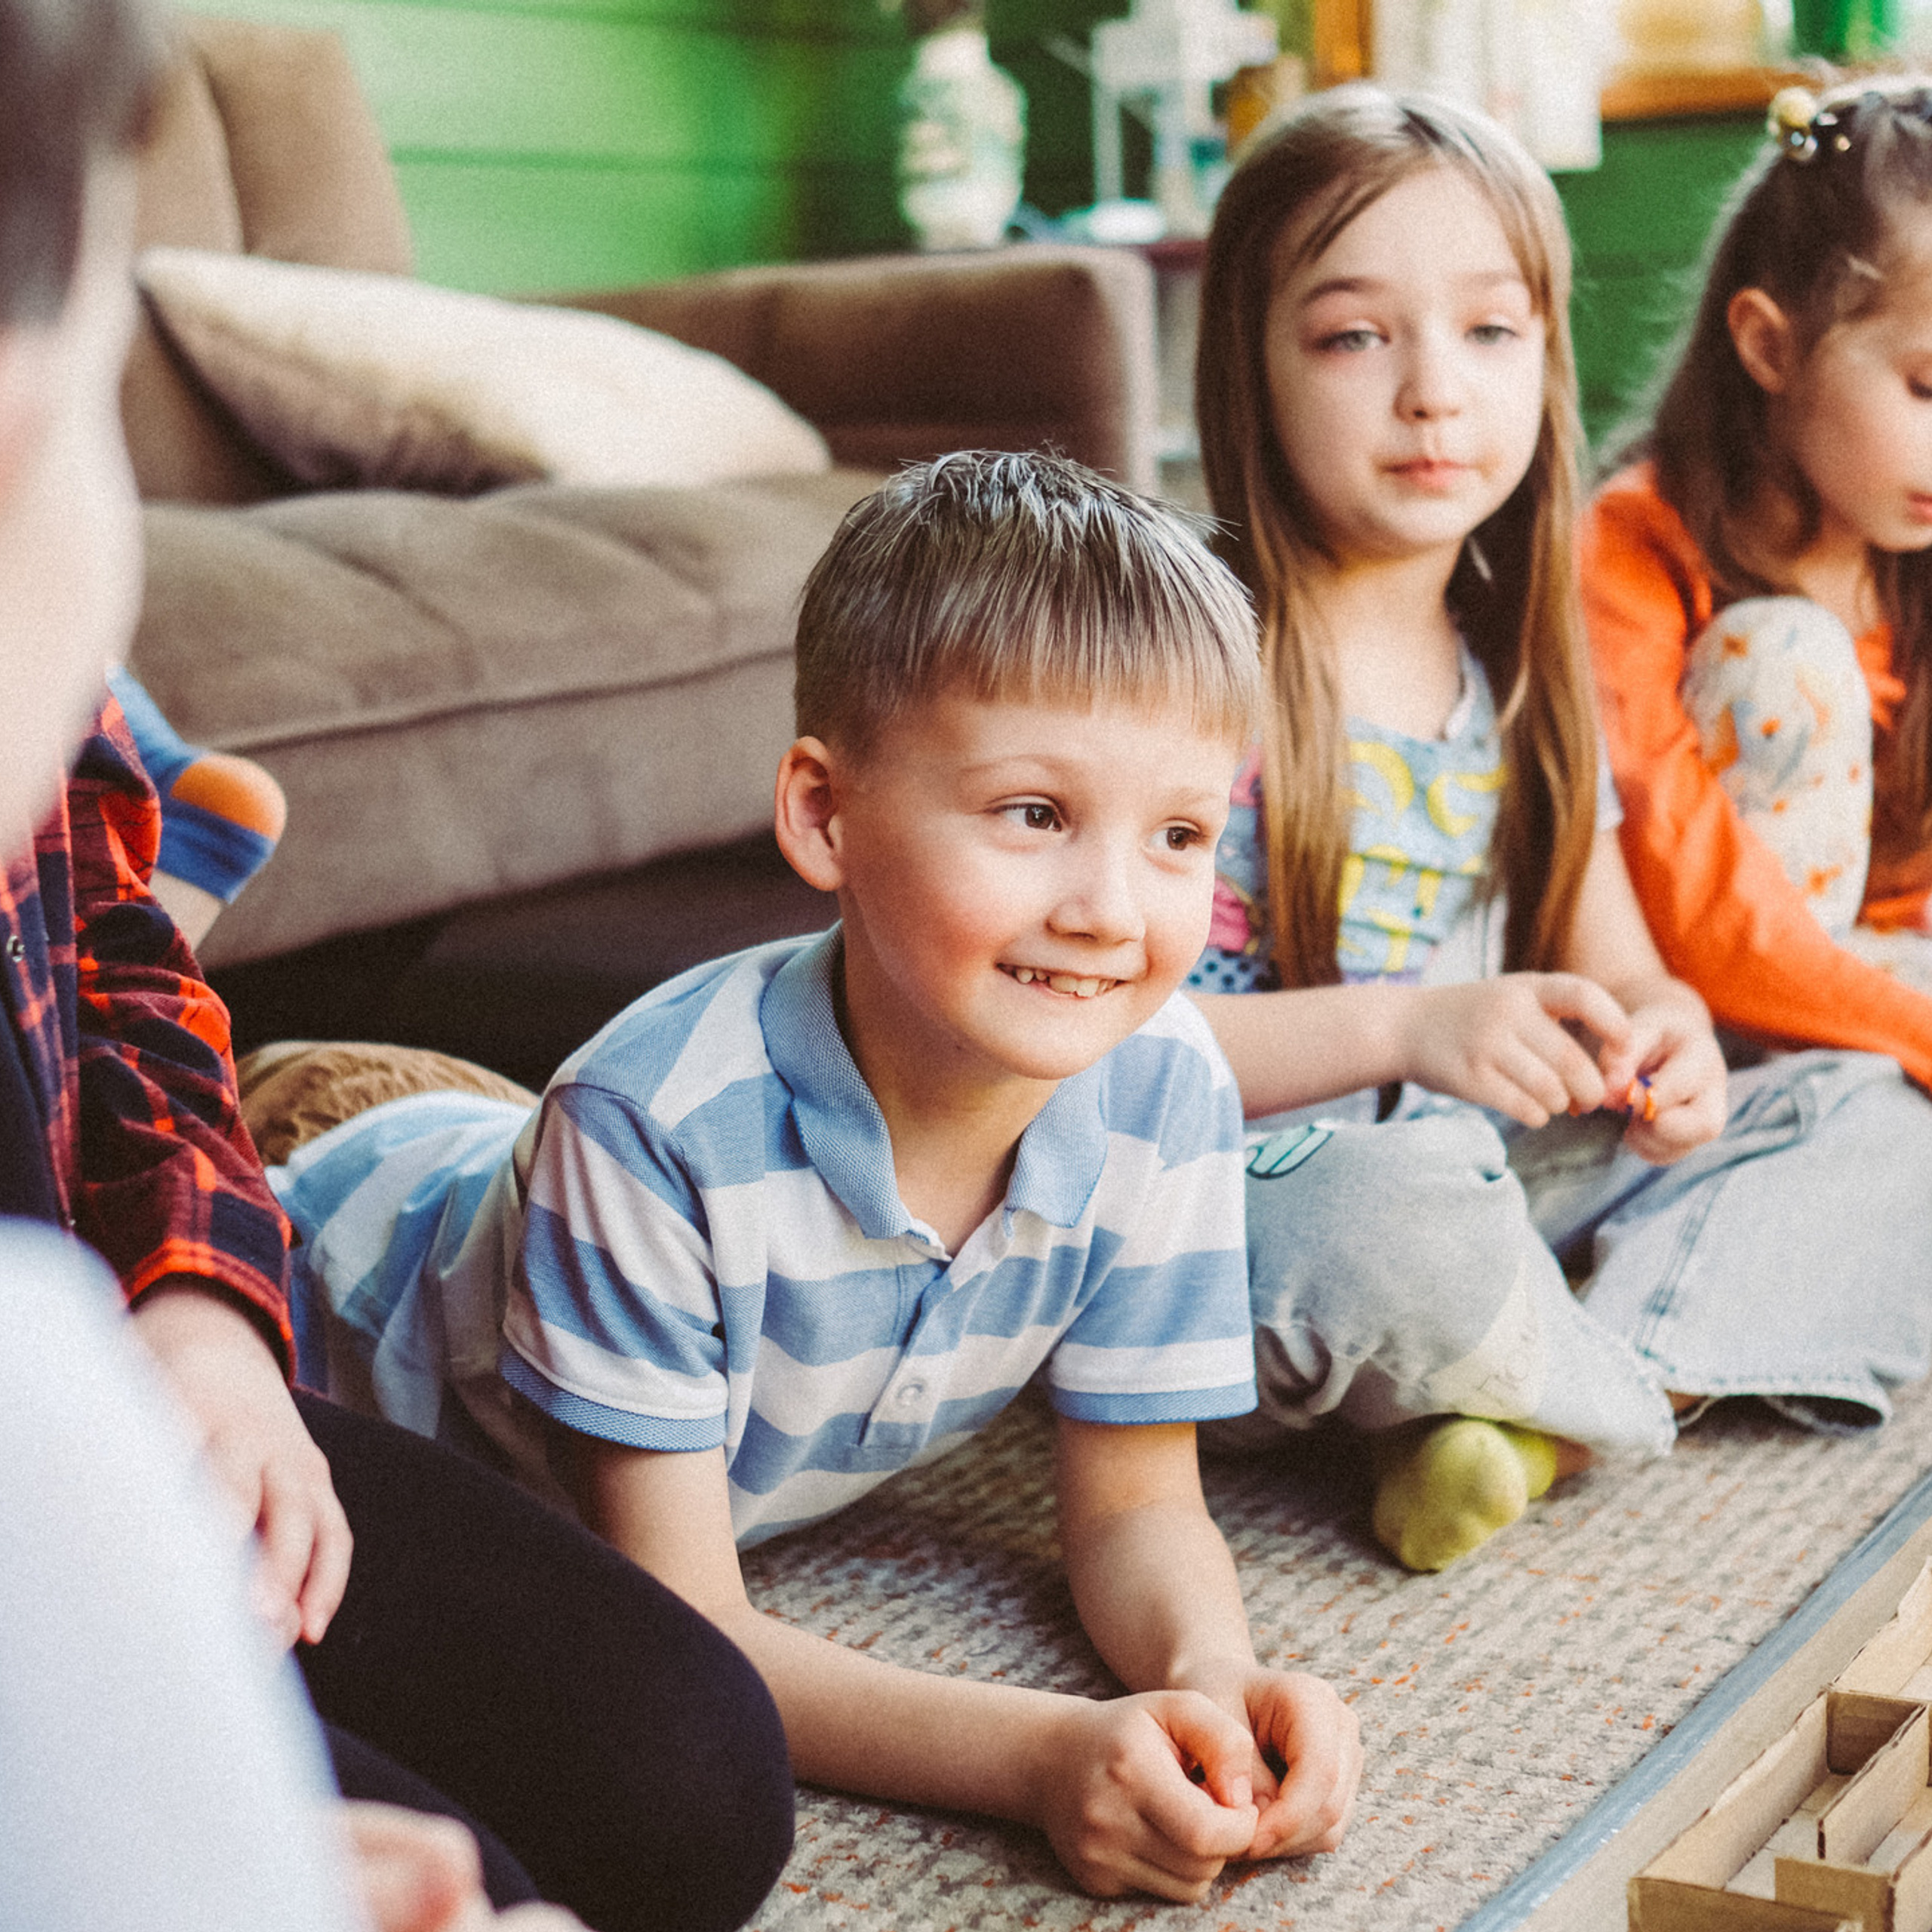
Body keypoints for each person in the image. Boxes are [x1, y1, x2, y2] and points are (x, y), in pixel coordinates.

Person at [263, 449, 1364, 1906]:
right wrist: (1039, 1757)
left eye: (1177, 836)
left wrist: (1213, 1676)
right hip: (330, 1206)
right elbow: (687, 1629)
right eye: (1035, 813)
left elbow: (1136, 1508)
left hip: (506, 1145)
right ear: (824, 817)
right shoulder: (651, 1129)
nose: (1111, 911)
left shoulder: (1166, 1091)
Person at [0, 2, 794, 1927]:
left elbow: (121, 969)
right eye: (91, 420)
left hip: (108, 1395)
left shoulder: (57, 768)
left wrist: (201, 1312)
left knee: (687, 1771)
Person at [1183, 83, 1932, 1572]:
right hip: (1274, 1195)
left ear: (1544, 358)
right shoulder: (1190, 666)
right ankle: (1585, 1354)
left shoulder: (1520, 673)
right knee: (1390, 1206)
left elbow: (1632, 967)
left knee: (1868, 1119)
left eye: (1487, 332)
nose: (1431, 392)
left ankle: (1537, 1404)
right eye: (1350, 336)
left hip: (1496, 1169)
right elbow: (1109, 1050)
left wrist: (1658, 1046)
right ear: (1248, 367)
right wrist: (1409, 1028)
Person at [1581, 78, 1932, 1086]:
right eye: (1928, 387)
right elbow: (1696, 913)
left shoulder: (1909, 550)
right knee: (1786, 657)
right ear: (1770, 346)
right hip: (1693, 1019)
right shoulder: (1627, 549)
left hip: (1880, 982)